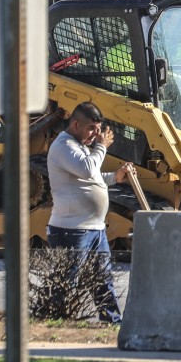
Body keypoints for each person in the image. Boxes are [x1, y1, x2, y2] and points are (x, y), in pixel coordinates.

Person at [46, 101, 134, 322]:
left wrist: (115, 177)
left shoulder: (82, 147)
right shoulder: (63, 146)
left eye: (98, 129)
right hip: (71, 230)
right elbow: (87, 170)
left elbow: (92, 177)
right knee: (67, 281)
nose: (96, 134)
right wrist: (102, 147)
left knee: (102, 279)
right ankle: (53, 323)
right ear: (75, 124)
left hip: (94, 229)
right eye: (91, 129)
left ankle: (112, 322)